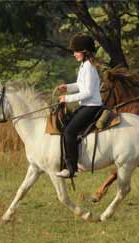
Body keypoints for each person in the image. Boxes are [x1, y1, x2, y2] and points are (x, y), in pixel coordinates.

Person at [56, 33, 103, 178]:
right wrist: (68, 87)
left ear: (84, 52)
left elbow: (87, 92)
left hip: (92, 106)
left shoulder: (88, 67)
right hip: (86, 105)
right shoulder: (84, 65)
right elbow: (80, 85)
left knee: (69, 132)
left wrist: (67, 98)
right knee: (66, 126)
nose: (74, 54)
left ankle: (72, 169)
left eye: (76, 51)